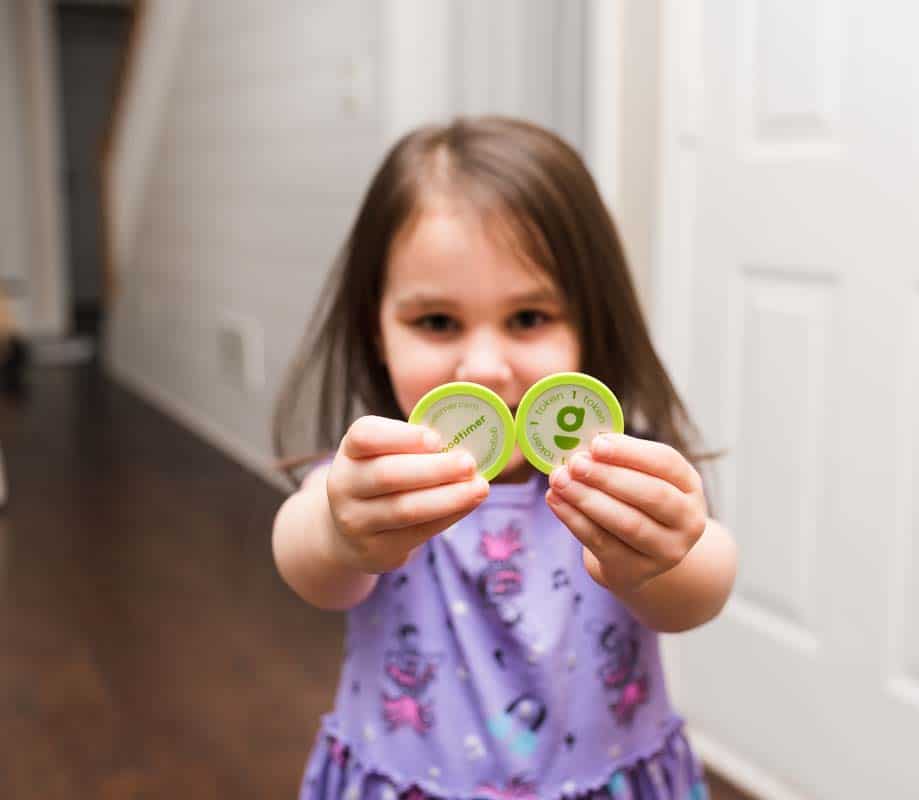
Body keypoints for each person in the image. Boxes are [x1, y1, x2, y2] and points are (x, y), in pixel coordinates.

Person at [271, 116, 737, 800]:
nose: (484, 369)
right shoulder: (375, 483)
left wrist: (661, 557)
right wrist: (340, 535)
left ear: (591, 322)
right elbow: (307, 559)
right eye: (436, 322)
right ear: (378, 329)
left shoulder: (622, 474)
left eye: (528, 319)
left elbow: (703, 589)